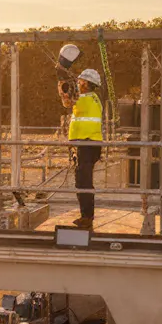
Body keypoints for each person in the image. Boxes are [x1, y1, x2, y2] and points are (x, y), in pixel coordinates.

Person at [61, 67, 104, 229]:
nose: (78, 84)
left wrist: (62, 84)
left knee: (83, 182)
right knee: (83, 180)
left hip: (86, 144)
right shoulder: (93, 98)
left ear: (86, 83)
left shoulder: (85, 99)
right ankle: (86, 216)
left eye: (80, 82)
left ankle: (87, 217)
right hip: (87, 144)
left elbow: (67, 102)